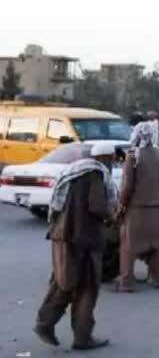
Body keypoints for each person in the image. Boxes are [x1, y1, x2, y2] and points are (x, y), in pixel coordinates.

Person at [35, 142, 116, 351]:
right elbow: (97, 207)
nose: (114, 163)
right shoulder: (95, 175)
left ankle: (45, 323)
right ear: (106, 158)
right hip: (84, 239)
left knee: (63, 281)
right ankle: (82, 337)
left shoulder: (73, 172)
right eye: (113, 158)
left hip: (61, 235)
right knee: (86, 288)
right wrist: (112, 214)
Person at [115, 122, 159, 292]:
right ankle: (157, 279)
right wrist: (158, 190)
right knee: (156, 246)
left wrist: (121, 205)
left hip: (136, 210)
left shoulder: (133, 156)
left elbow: (126, 187)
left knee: (129, 247)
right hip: (156, 209)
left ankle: (126, 283)